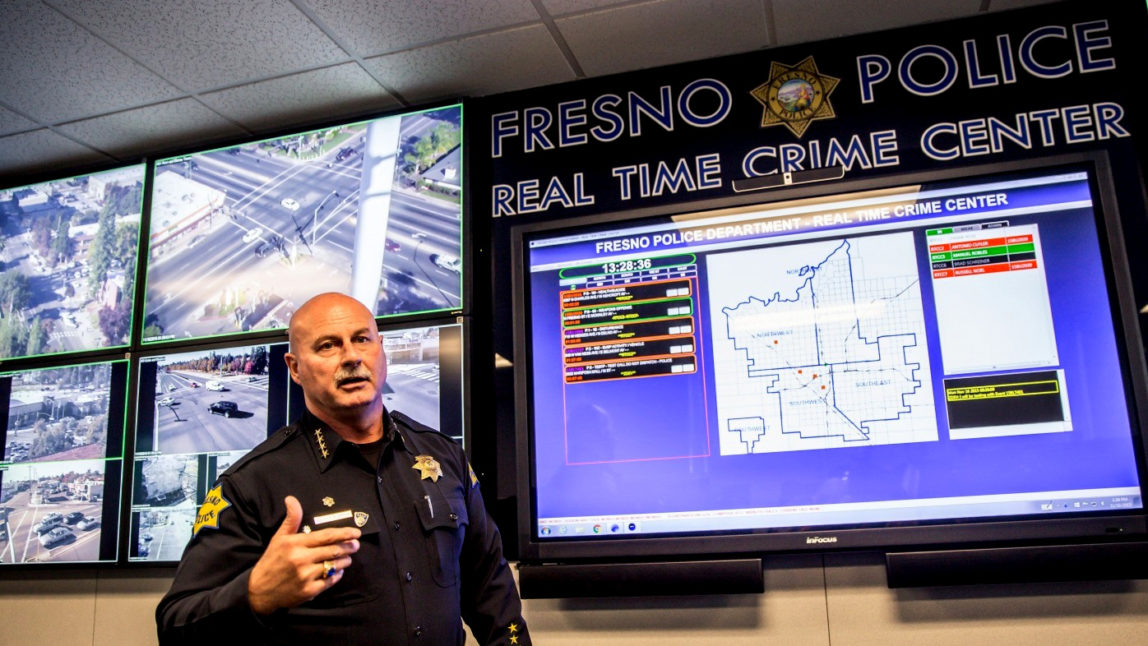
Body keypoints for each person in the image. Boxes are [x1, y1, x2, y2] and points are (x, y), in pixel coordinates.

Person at [156, 292, 530, 645]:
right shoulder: (252, 483)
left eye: (362, 339)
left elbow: (491, 590)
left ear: (381, 350)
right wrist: (255, 594)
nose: (351, 356)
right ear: (295, 368)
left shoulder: (445, 457)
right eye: (328, 345)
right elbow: (175, 624)